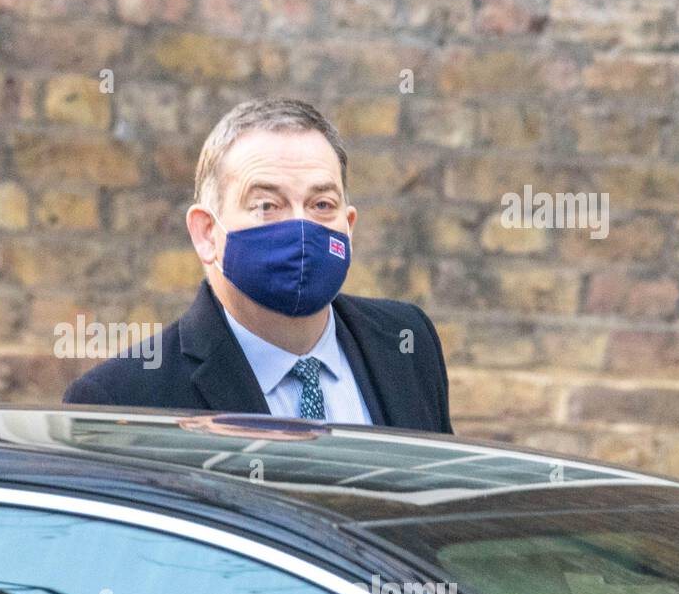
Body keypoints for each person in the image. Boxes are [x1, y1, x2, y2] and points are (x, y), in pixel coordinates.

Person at [64, 97, 452, 434]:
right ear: (206, 233)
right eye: (267, 205)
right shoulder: (122, 401)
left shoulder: (406, 342)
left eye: (321, 205)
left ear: (348, 228)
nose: (300, 228)